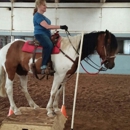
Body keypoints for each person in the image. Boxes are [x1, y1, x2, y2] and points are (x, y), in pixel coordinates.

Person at [33, 0, 68, 75]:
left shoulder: (43, 16)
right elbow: (47, 26)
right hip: (40, 34)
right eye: (44, 5)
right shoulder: (37, 16)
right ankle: (43, 66)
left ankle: (51, 65)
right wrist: (60, 26)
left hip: (46, 34)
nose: (46, 7)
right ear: (39, 6)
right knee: (49, 45)